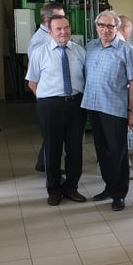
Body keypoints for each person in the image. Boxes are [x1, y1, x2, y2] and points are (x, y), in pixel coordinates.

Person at [26, 15, 87, 206]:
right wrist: (46, 101)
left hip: (76, 104)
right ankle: (54, 190)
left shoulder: (79, 51)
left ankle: (71, 187)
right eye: (58, 29)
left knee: (75, 149)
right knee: (52, 149)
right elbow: (32, 82)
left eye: (66, 28)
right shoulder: (40, 53)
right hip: (50, 105)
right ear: (50, 32)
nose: (63, 32)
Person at [82, 10, 133, 212]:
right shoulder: (91, 47)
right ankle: (109, 187)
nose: (105, 30)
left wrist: (132, 111)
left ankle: (119, 194)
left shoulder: (126, 50)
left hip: (115, 109)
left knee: (117, 152)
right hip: (94, 106)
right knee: (102, 151)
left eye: (110, 26)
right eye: (101, 25)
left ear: (117, 28)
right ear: (96, 27)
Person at [27, 1, 66, 172]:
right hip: (49, 98)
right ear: (46, 20)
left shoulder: (51, 35)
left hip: (59, 96)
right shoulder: (39, 41)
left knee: (55, 134)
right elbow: (35, 78)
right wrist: (44, 100)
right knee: (52, 135)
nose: (63, 20)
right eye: (59, 17)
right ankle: (50, 169)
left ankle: (43, 163)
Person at [117, 14, 133, 180]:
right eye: (130, 30)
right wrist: (132, 110)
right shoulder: (126, 48)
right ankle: (125, 169)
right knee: (123, 136)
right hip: (123, 99)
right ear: (125, 28)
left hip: (107, 102)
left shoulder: (97, 45)